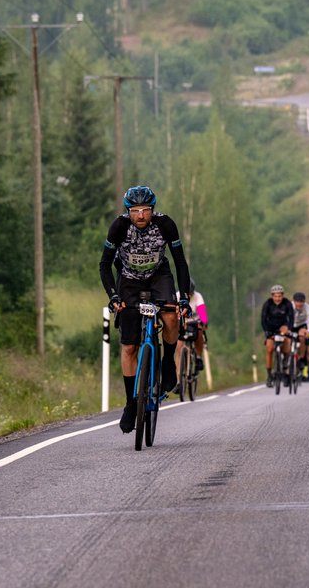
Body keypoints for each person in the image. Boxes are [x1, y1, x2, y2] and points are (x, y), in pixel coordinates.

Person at [100, 185, 191, 434]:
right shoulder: (119, 226)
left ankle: (168, 361)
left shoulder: (165, 225)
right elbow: (105, 265)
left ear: (153, 210)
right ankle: (131, 403)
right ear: (128, 211)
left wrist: (183, 298)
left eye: (146, 210)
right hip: (128, 280)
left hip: (158, 276)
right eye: (135, 211)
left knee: (171, 316)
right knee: (129, 345)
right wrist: (114, 296)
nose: (141, 216)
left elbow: (180, 262)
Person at [260, 284, 295, 388]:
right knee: (269, 349)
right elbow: (263, 319)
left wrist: (288, 328)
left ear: (283, 296)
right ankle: (269, 375)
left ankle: (285, 365)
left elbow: (291, 318)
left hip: (283, 328)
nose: (277, 298)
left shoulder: (287, 303)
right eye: (275, 296)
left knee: (287, 344)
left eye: (279, 296)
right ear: (272, 296)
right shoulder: (267, 304)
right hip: (271, 329)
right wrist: (266, 331)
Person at [291, 291, 309, 376]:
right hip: (290, 325)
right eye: (297, 301)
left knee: (302, 337)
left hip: (301, 325)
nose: (299, 304)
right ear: (294, 301)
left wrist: (308, 331)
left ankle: (301, 357)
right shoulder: (289, 306)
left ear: (304, 302)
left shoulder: (308, 308)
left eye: (301, 302)